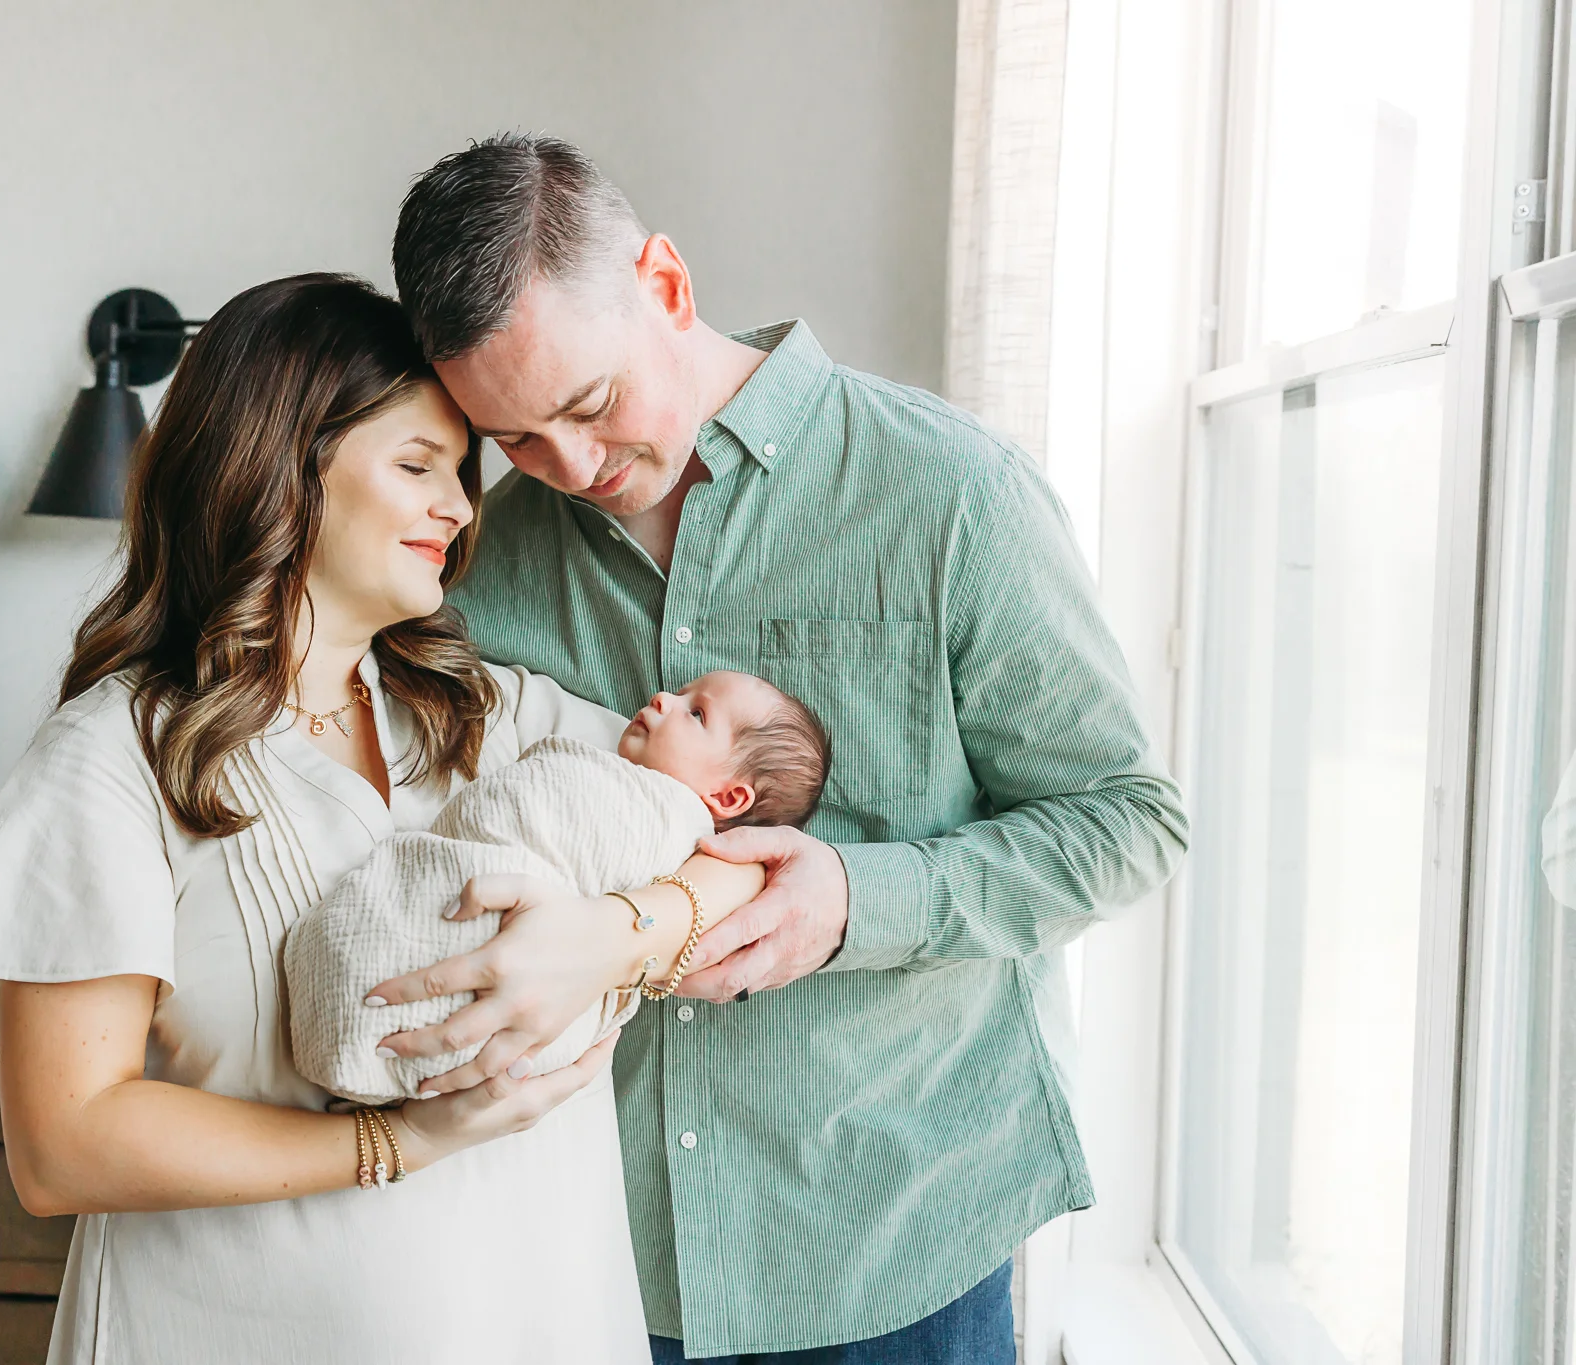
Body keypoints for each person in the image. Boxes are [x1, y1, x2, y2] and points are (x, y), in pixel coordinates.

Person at [371, 135, 1192, 1363]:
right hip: (594, 1261)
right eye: (519, 440)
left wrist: (859, 899)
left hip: (891, 1247)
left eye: (590, 404)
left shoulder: (952, 495)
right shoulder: (481, 555)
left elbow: (1128, 822)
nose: (574, 468)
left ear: (665, 284)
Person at [0, 273, 763, 1365]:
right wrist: (393, 1141)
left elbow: (749, 858)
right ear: (277, 469)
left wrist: (617, 936)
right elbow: (64, 1146)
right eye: (416, 467)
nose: (458, 508)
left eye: (460, 474)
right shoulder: (116, 758)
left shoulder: (494, 719)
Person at [287, 670, 831, 1104]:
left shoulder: (666, 826)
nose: (663, 698)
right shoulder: (610, 775)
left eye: (696, 713)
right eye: (681, 691)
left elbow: (518, 809)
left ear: (730, 800)